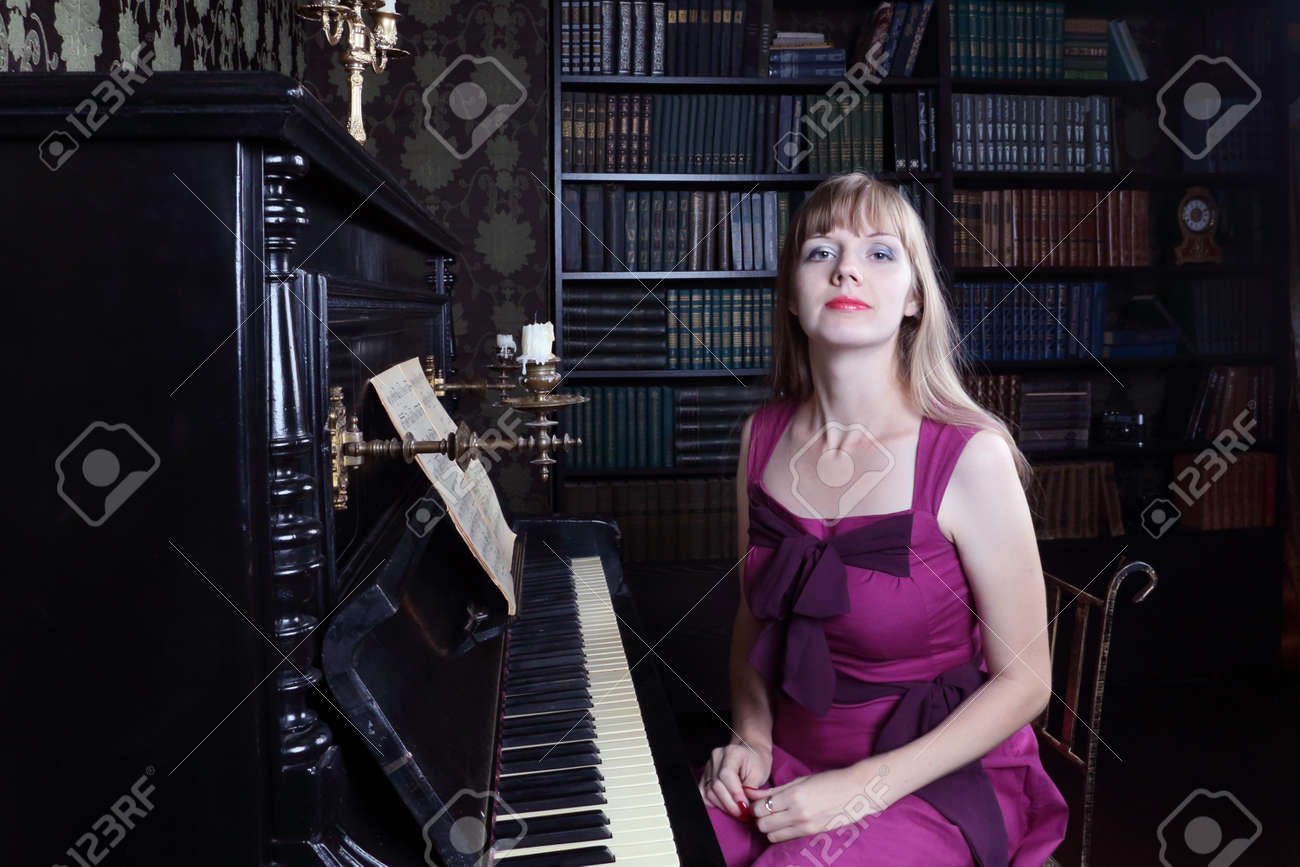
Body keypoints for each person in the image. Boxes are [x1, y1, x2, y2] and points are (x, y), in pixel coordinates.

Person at [697, 172, 1069, 866]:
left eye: (879, 252)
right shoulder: (761, 438)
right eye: (821, 251)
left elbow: (1027, 681)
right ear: (791, 294)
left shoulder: (970, 454)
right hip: (792, 766)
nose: (847, 269)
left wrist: (860, 790)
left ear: (914, 297)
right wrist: (751, 737)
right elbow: (753, 618)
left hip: (937, 777)